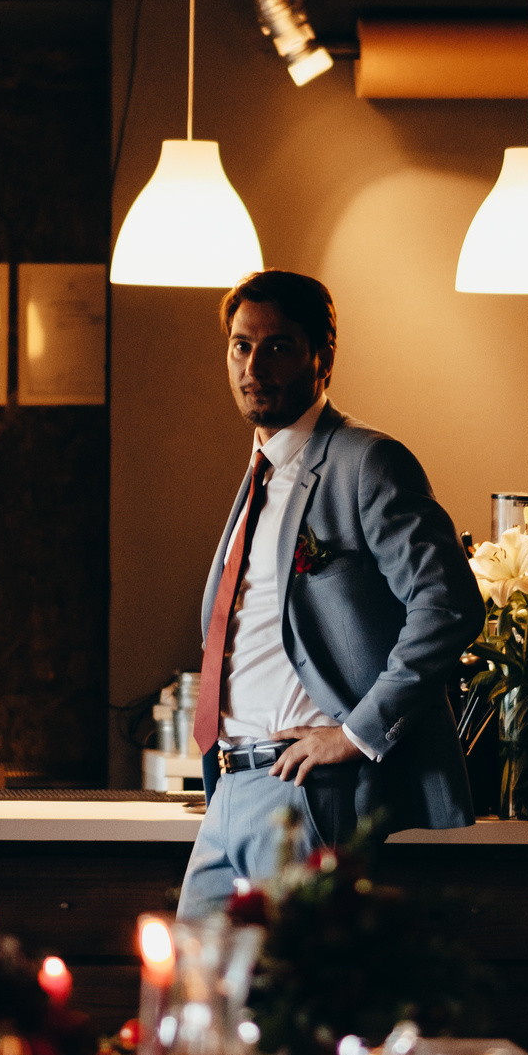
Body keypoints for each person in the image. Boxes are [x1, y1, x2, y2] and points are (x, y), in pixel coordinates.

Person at [177, 270, 484, 914]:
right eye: (241, 346)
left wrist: (357, 732)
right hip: (228, 786)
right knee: (195, 998)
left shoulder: (366, 462)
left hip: (307, 793)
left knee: (295, 1005)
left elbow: (448, 603)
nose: (253, 365)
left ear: (324, 356)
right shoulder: (261, 472)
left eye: (278, 346)